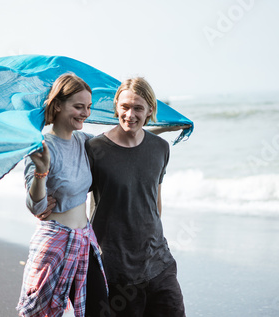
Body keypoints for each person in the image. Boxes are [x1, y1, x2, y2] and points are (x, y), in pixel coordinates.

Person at [85, 77, 186, 316]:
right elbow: (75, 198)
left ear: (150, 109)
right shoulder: (95, 150)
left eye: (138, 108)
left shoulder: (161, 148)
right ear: (116, 107)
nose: (130, 114)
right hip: (114, 269)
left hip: (158, 263)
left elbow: (155, 203)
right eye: (125, 107)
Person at [16, 74, 110, 317]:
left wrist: (161, 126)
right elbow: (36, 207)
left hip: (84, 241)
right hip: (54, 243)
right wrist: (41, 170)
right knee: (41, 313)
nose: (85, 113)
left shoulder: (85, 141)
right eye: (78, 106)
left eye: (88, 107)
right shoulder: (41, 146)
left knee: (98, 310)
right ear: (58, 105)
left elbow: (123, 142)